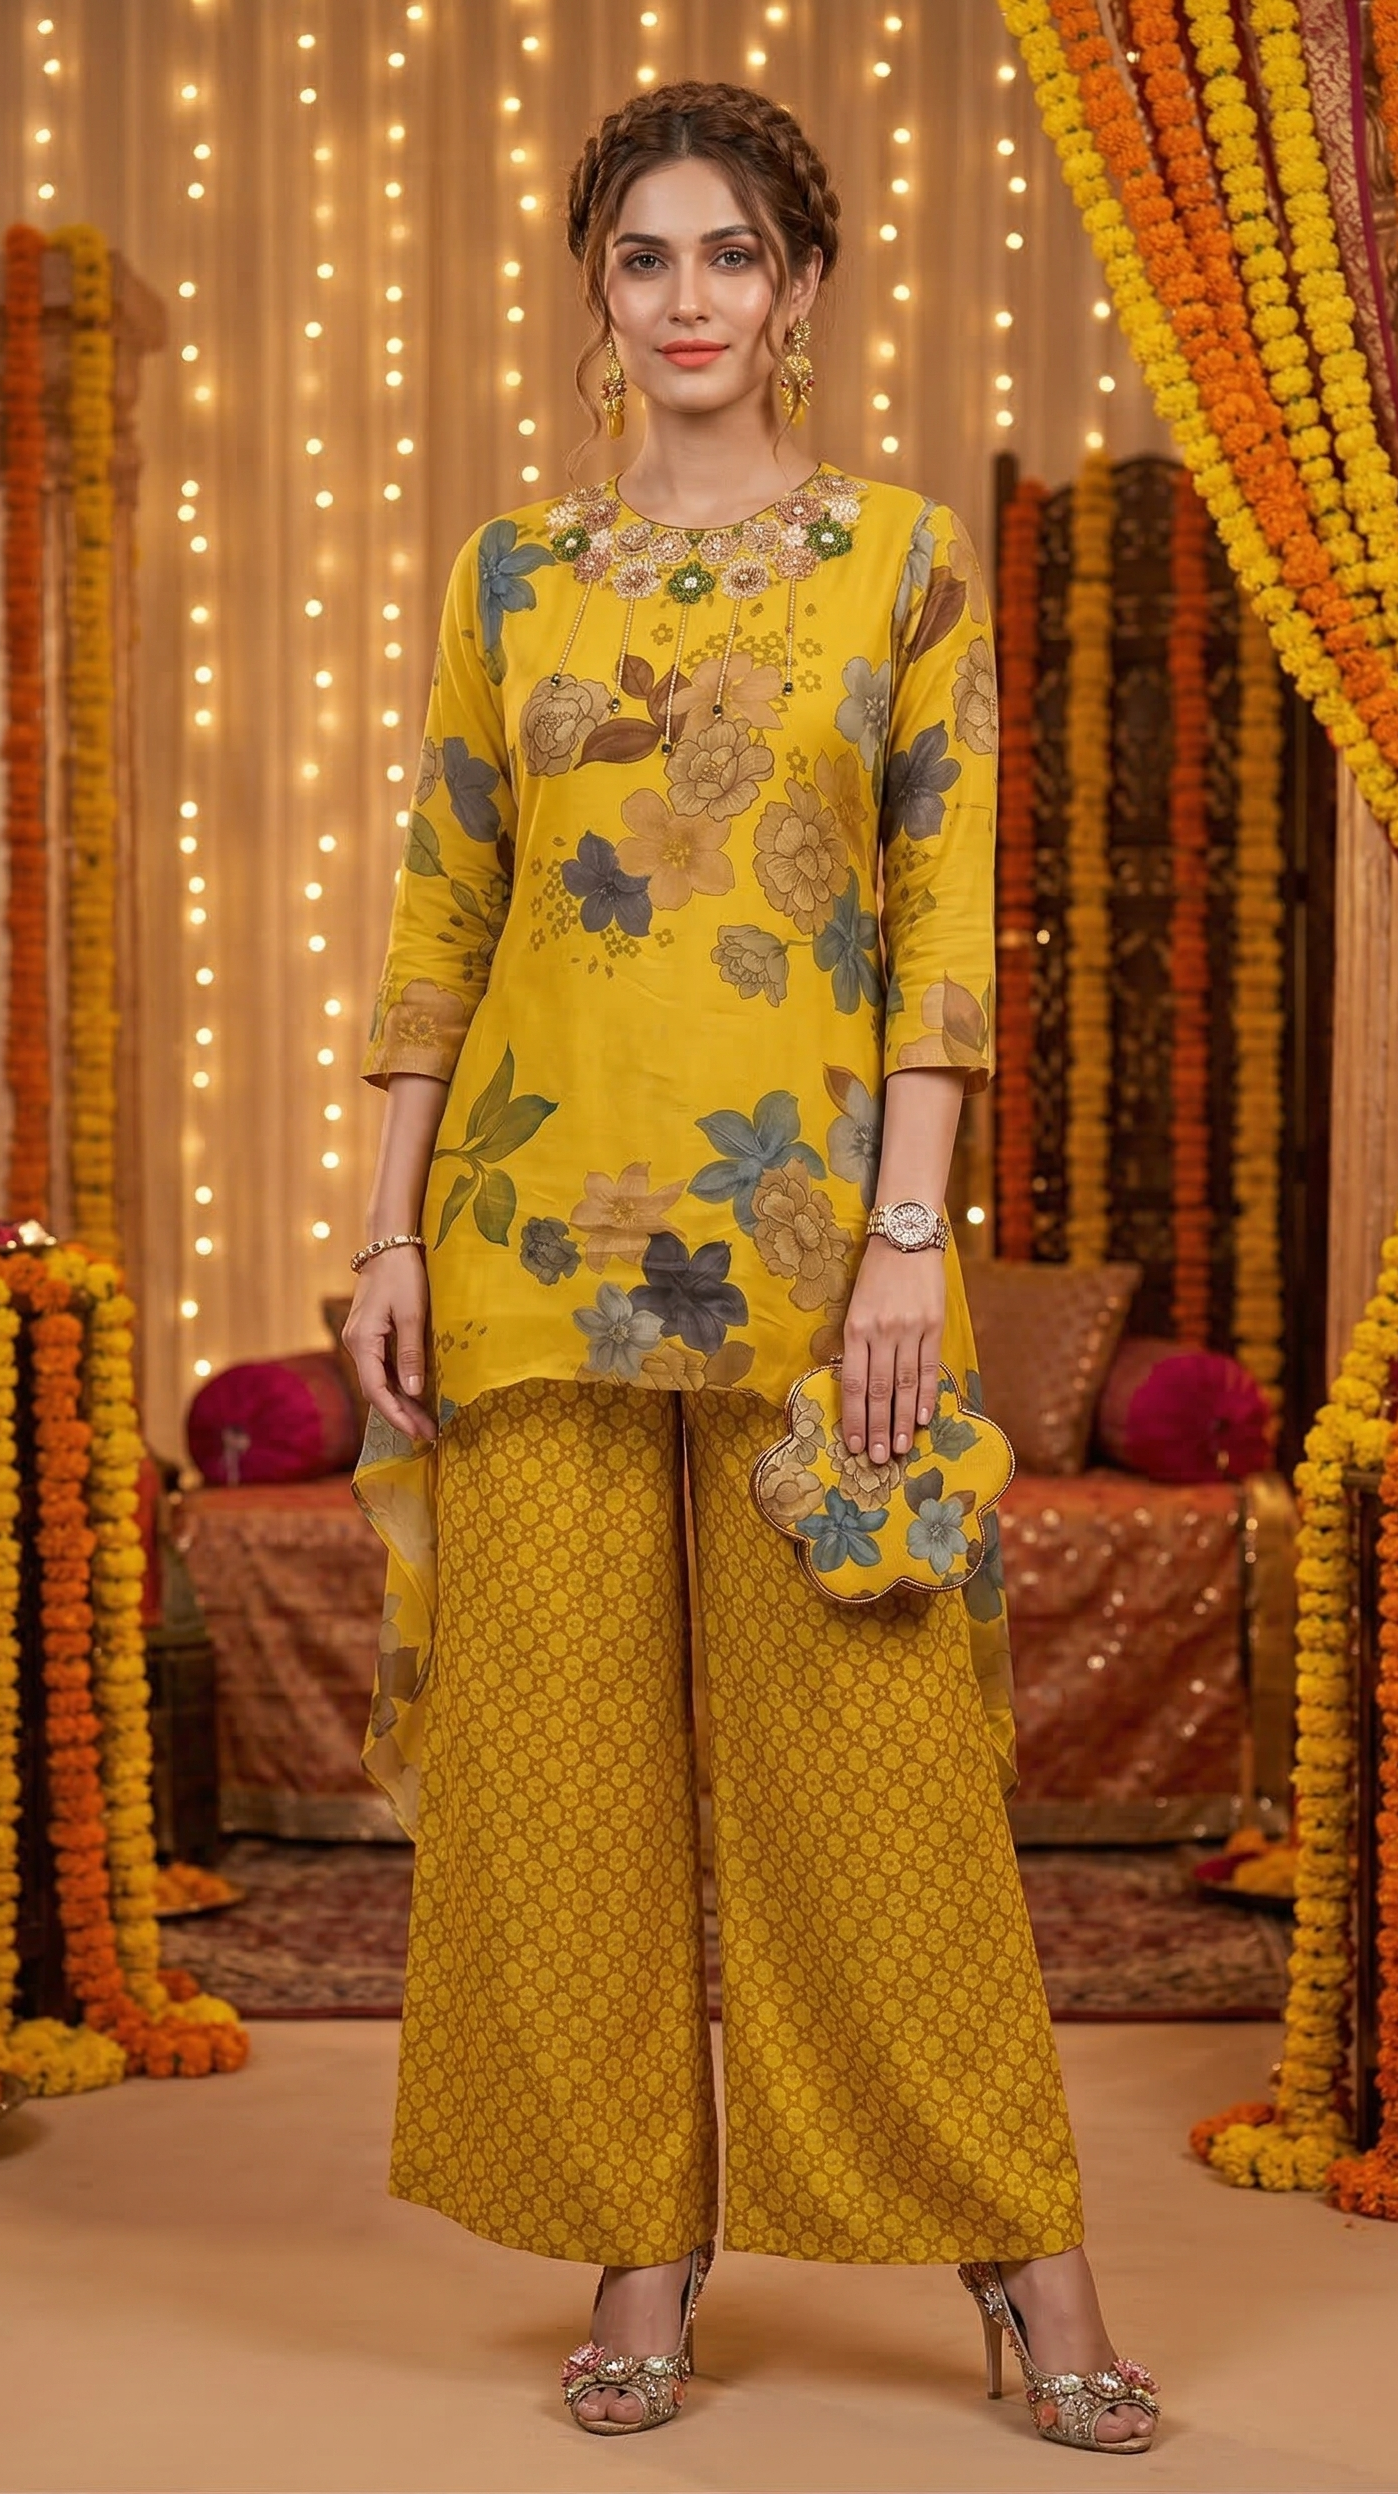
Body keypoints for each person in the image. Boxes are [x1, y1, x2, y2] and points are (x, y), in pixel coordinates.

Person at [342, 80, 1159, 2457]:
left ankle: (1023, 2246)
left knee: (881, 1777)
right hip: (529, 1249)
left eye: (729, 254)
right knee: (570, 1786)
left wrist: (911, 1239)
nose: (686, 297)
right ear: (595, 294)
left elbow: (936, 930)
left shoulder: (898, 562)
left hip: (814, 1263)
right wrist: (384, 1224)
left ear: (798, 286)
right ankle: (641, 2241)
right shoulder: (513, 578)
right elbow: (443, 908)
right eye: (644, 255)